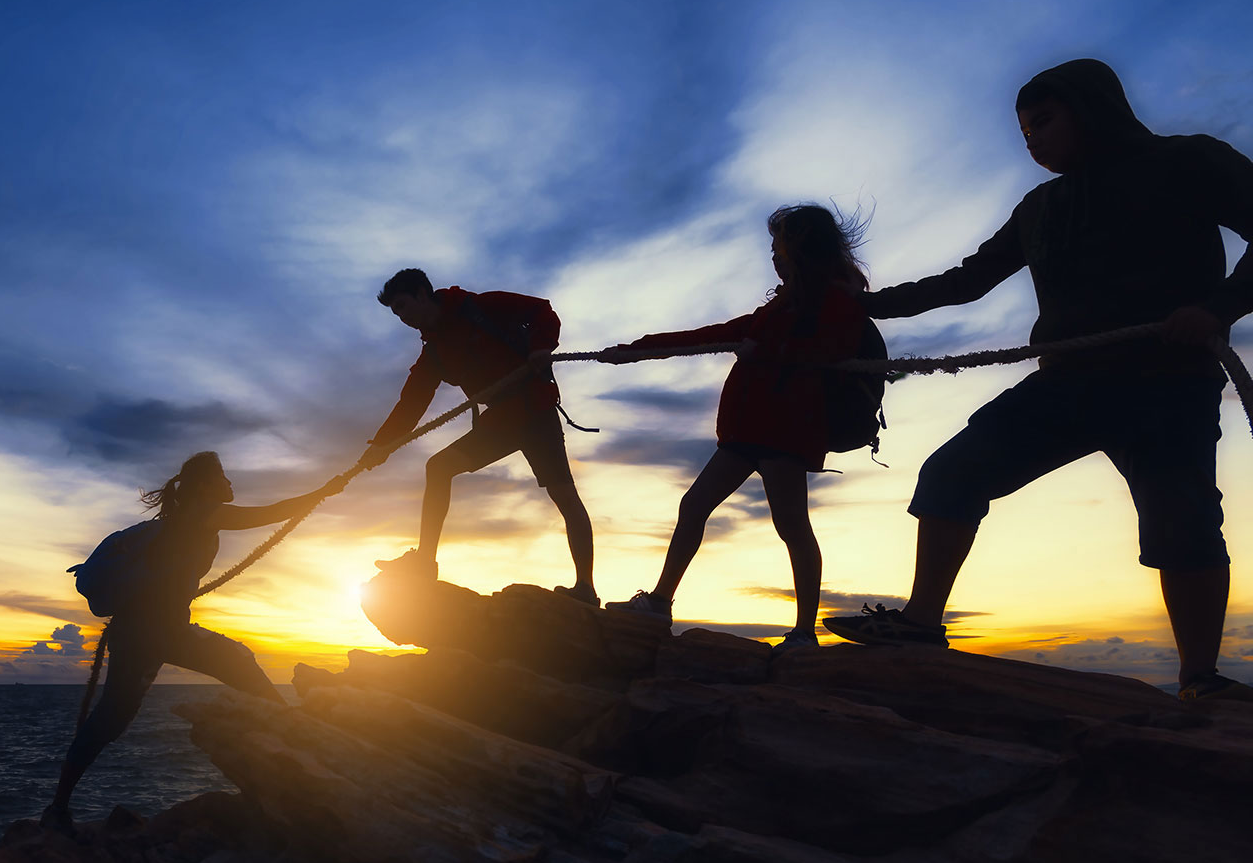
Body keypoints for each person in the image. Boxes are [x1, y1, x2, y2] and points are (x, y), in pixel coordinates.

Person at [821, 58, 1253, 701]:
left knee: (1182, 523)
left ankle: (1200, 680)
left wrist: (1216, 309)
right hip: (1068, 384)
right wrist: (859, 305)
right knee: (951, 472)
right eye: (1025, 132)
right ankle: (920, 623)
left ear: (1093, 108)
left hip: (1165, 382)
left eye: (1045, 122)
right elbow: (966, 281)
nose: (1034, 141)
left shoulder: (1189, 162)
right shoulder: (1040, 207)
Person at [599, 204, 873, 648]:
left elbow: (827, 353)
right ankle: (659, 603)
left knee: (792, 526)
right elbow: (714, 333)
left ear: (801, 247)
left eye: (778, 246)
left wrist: (763, 350)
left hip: (786, 433)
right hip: (749, 431)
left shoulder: (839, 301)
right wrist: (637, 350)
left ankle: (804, 632)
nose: (773, 256)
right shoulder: (781, 306)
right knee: (695, 506)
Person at [44, 451, 346, 826]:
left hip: (137, 631)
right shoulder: (206, 513)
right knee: (238, 662)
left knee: (112, 718)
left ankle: (57, 809)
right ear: (206, 485)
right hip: (159, 631)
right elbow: (271, 511)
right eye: (224, 477)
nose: (231, 484)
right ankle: (299, 742)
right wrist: (326, 490)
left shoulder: (178, 520)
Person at [363, 268, 597, 603]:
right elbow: (411, 403)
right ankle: (425, 563)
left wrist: (541, 347)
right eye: (396, 312)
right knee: (438, 467)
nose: (402, 317)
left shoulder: (480, 307)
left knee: (564, 496)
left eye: (402, 305)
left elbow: (543, 311)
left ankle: (585, 589)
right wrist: (380, 446)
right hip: (499, 421)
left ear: (421, 293)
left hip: (535, 412)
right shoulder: (434, 353)